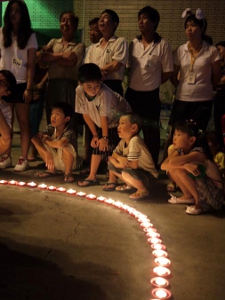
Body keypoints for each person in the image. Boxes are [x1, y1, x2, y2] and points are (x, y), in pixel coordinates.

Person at [167, 8, 221, 157]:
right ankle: (174, 166)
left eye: (193, 25)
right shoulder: (180, 50)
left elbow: (216, 76)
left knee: (196, 135)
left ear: (202, 28)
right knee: (177, 134)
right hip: (182, 99)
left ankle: (197, 167)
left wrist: (205, 87)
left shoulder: (211, 51)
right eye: (186, 27)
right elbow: (173, 74)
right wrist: (181, 87)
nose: (189, 29)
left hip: (202, 99)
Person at [125, 5, 173, 168]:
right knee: (129, 131)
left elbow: (168, 71)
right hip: (132, 95)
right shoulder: (133, 43)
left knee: (151, 133)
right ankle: (130, 164)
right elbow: (128, 67)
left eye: (145, 18)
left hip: (151, 96)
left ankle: (151, 167)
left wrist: (152, 83)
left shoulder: (162, 45)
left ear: (154, 22)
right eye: (139, 18)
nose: (141, 21)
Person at [75, 63, 131, 187]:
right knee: (97, 146)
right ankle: (92, 175)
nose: (93, 89)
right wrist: (95, 135)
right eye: (89, 86)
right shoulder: (79, 91)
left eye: (96, 85)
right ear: (80, 83)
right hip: (103, 122)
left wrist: (104, 138)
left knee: (110, 148)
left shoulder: (104, 93)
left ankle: (112, 178)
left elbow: (104, 116)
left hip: (119, 121)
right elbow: (85, 114)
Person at [0, 0, 37, 171]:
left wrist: (29, 88)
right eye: (11, 11)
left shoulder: (30, 36)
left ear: (23, 15)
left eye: (17, 11)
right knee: (8, 120)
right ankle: (6, 155)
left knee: (23, 122)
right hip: (3, 82)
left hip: (22, 83)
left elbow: (31, 64)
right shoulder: (1, 33)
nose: (13, 14)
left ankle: (23, 157)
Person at [40, 11, 85, 149]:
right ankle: (52, 155)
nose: (65, 24)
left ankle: (69, 155)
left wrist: (52, 57)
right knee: (52, 119)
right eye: (62, 20)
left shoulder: (79, 45)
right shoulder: (53, 41)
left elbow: (70, 62)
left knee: (68, 120)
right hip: (52, 84)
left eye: (68, 21)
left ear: (76, 25)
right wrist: (61, 55)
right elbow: (43, 58)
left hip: (69, 85)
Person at [161, 121, 224, 215]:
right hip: (206, 189)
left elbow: (172, 162)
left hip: (215, 195)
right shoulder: (181, 150)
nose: (174, 138)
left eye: (179, 135)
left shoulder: (199, 153)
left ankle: (200, 204)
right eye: (174, 134)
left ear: (191, 140)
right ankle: (188, 196)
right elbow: (163, 166)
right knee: (176, 168)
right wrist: (185, 166)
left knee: (181, 169)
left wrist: (183, 166)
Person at [102, 113, 159, 200]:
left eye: (122, 123)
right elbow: (113, 155)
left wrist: (117, 163)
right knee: (111, 164)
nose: (118, 126)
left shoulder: (135, 140)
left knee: (126, 172)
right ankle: (130, 185)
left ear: (133, 128)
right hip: (136, 173)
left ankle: (143, 190)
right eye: (119, 123)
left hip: (149, 177)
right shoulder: (123, 141)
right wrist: (119, 159)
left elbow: (133, 165)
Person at [32, 102, 82, 182]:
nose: (53, 117)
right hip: (53, 161)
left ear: (67, 119)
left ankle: (68, 173)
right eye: (52, 114)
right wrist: (46, 152)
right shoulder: (51, 127)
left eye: (57, 114)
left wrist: (47, 141)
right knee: (39, 142)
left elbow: (60, 143)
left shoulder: (69, 131)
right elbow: (34, 138)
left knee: (65, 147)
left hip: (70, 164)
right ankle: (51, 170)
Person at [84, 9, 128, 96]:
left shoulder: (120, 41)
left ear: (115, 24)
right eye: (101, 17)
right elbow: (87, 68)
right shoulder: (93, 48)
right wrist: (97, 74)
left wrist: (97, 72)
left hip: (113, 86)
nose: (101, 19)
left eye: (105, 17)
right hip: (94, 86)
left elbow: (116, 64)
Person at [0, 70, 17, 157]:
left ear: (7, 92)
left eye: (2, 82)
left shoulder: (5, 108)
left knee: (7, 140)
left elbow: (6, 137)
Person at [213, 41, 225, 147]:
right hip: (218, 100)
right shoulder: (217, 66)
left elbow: (219, 81)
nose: (217, 52)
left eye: (219, 49)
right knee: (218, 128)